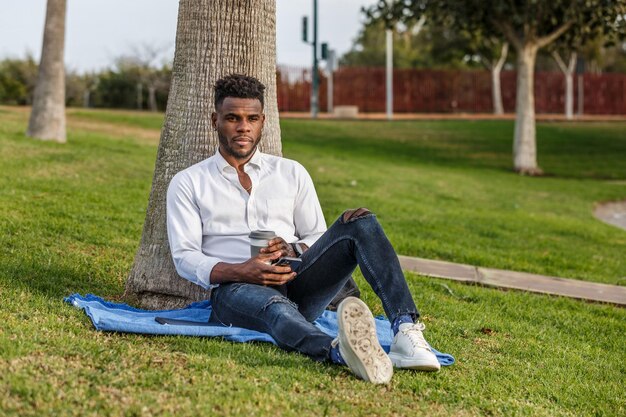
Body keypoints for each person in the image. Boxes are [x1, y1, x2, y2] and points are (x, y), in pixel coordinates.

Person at [166, 74, 441, 384]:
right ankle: (338, 351)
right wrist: (243, 271)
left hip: (297, 280)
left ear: (263, 121)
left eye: (252, 118)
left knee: (359, 220)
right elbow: (185, 257)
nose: (243, 126)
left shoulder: (291, 172)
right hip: (236, 290)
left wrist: (292, 248)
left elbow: (316, 236)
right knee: (275, 310)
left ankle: (406, 332)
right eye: (233, 118)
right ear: (215, 120)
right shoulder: (189, 182)